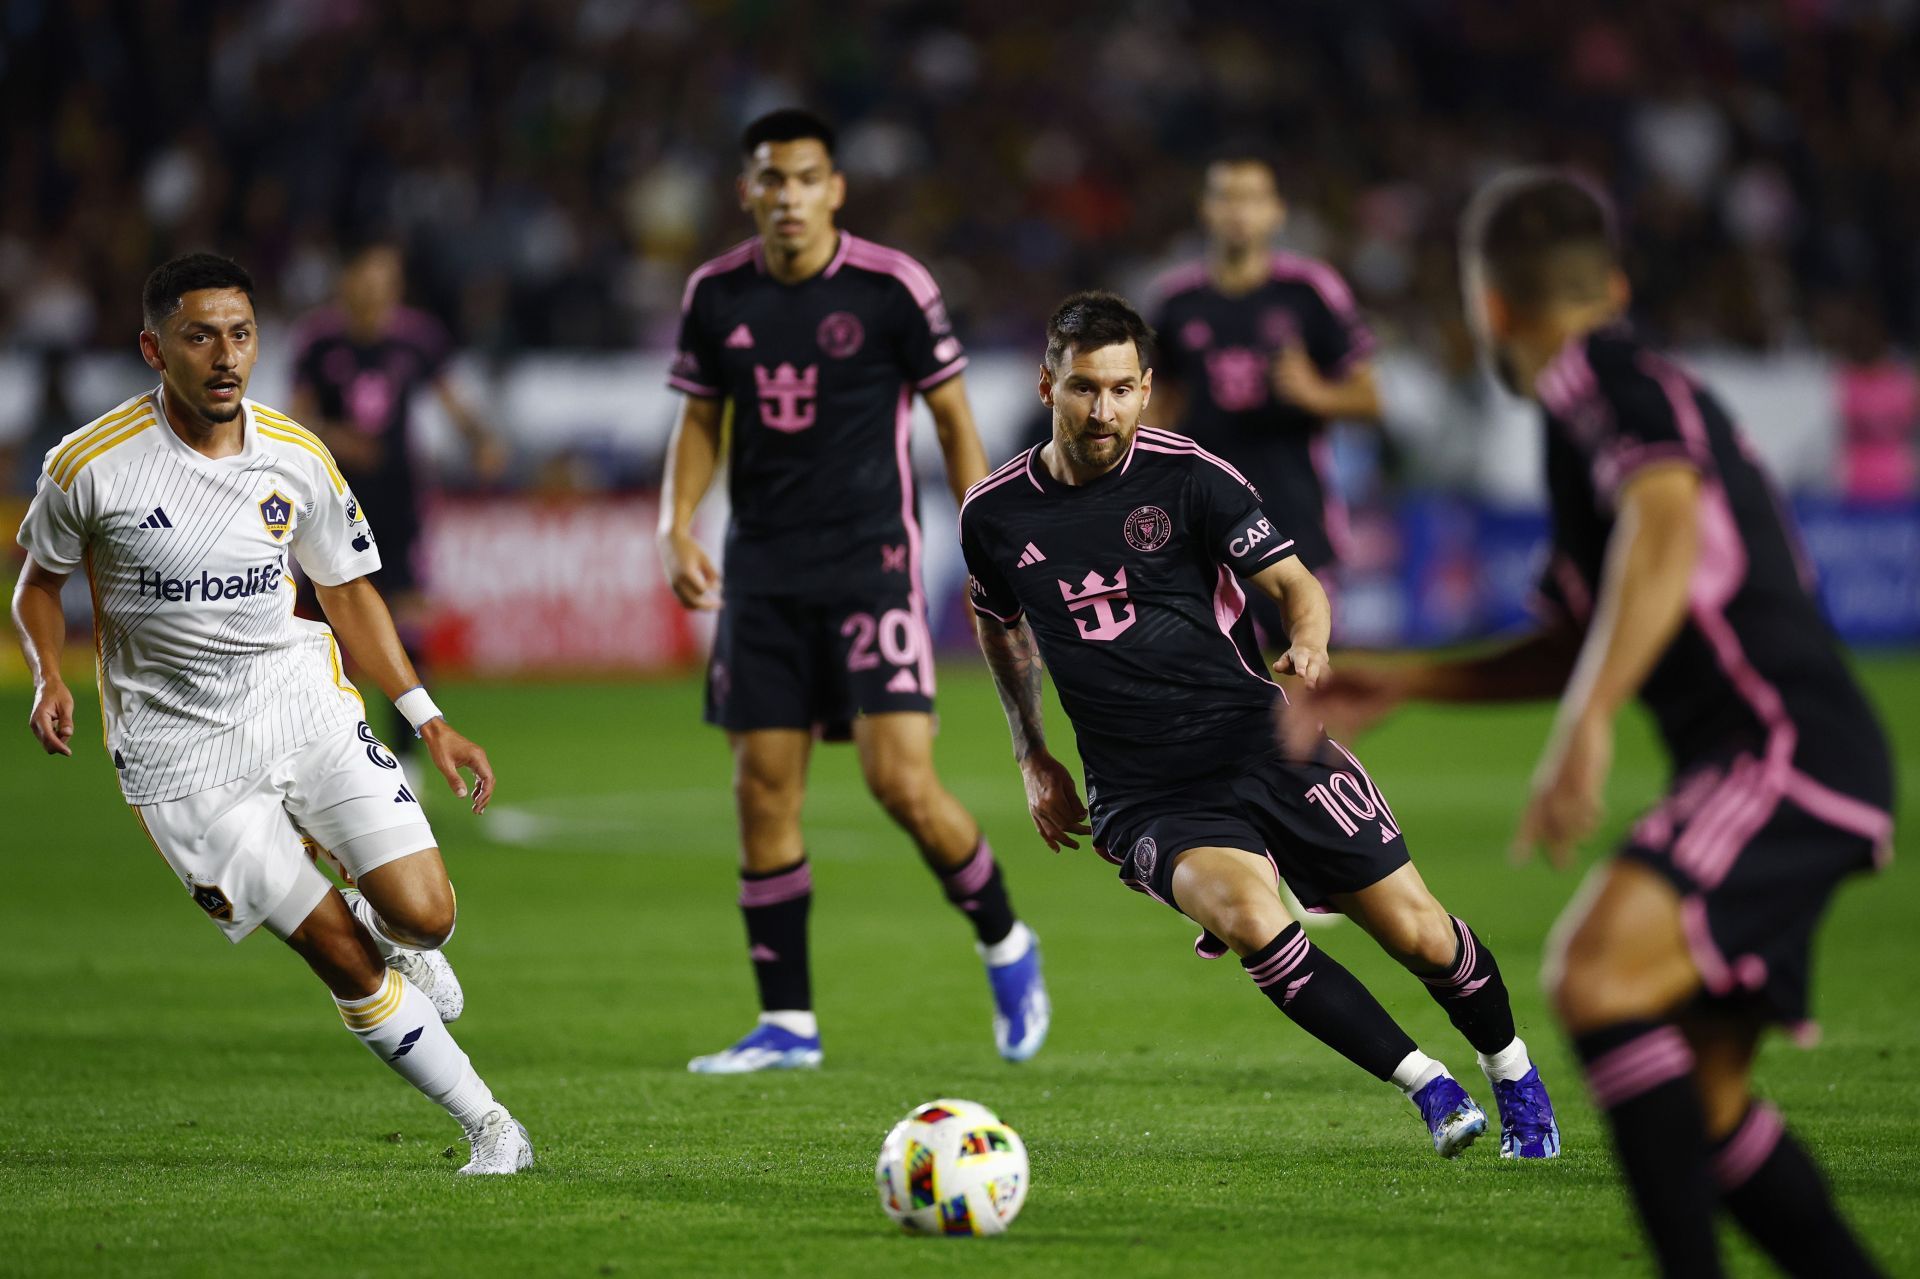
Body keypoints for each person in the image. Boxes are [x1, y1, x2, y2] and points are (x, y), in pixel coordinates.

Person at [1301, 171, 1891, 1274]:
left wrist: (1590, 724)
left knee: (1595, 976)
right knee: (1709, 1107)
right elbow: (1587, 628)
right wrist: (1414, 682)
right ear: (1612, 283)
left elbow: (1663, 524)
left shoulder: (1604, 382)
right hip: (1784, 755)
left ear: (1490, 306)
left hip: (1783, 752)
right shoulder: (1593, 419)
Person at [959, 290, 1558, 1159]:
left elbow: (1296, 587)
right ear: (1046, 384)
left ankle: (1513, 1071)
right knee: (1249, 916)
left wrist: (1310, 644)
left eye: (1124, 389)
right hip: (1145, 791)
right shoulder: (996, 512)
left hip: (1263, 742)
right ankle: (1429, 1087)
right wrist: (1031, 751)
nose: (1106, 410)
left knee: (1421, 932)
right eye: (1086, 389)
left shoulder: (1191, 474)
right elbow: (997, 617)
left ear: (1148, 385)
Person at [11, 253, 530, 1175]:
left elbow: (350, 591)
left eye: (241, 334)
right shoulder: (89, 465)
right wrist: (51, 672)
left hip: (299, 701)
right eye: (199, 334)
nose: (224, 356)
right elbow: (38, 586)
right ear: (152, 348)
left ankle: (384, 918)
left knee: (427, 915)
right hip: (181, 755)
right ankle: (491, 1124)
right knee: (340, 957)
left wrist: (427, 713)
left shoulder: (294, 453)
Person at [657, 108, 1048, 1073]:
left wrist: (985, 535)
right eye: (770, 179)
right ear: (748, 191)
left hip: (871, 565)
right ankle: (788, 1024)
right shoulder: (715, 294)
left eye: (805, 178)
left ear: (835, 188)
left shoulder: (891, 286)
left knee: (900, 780)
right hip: (762, 572)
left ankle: (1005, 939)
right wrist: (677, 523)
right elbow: (702, 420)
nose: (788, 196)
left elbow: (954, 421)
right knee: (762, 789)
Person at [1148, 152, 1383, 642]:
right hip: (1202, 509)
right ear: (1205, 209)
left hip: (1294, 507)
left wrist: (1315, 393)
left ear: (1277, 211)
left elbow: (1370, 399)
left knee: (1304, 669)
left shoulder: (1309, 291)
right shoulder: (1175, 301)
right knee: (1212, 679)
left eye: (1252, 198)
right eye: (1226, 197)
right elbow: (1157, 405)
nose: (1238, 211)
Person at [288, 237, 506, 764]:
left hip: (399, 500)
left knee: (408, 620)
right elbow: (296, 420)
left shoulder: (418, 339)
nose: (376, 289)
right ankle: (321, 748)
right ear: (348, 280)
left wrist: (480, 439)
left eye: (386, 279)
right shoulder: (320, 341)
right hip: (333, 502)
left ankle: (409, 760)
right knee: (322, 629)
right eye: (367, 276)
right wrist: (340, 439)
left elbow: (452, 399)